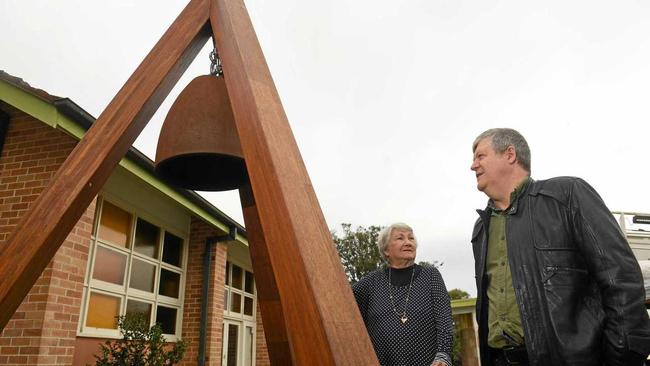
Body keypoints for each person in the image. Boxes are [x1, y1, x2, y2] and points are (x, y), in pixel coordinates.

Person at [469, 128, 650, 366]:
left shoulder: (567, 196)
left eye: (480, 156)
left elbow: (621, 279)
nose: (473, 166)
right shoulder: (481, 229)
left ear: (510, 154)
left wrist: (619, 356)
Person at [352, 222, 454, 366]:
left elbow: (444, 319)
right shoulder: (370, 282)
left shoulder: (430, 275)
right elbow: (345, 311)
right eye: (400, 238)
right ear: (386, 250)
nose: (408, 242)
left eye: (411, 238)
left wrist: (443, 355)